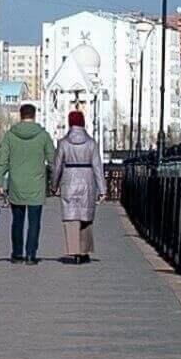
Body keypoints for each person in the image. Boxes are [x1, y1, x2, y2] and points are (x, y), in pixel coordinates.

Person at [0, 103, 56, 264]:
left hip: (16, 184)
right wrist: (55, 180)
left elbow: (2, 161)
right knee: (34, 222)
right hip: (36, 184)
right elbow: (52, 159)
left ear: (20, 115)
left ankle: (16, 253)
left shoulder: (10, 135)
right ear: (34, 115)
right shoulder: (43, 136)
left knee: (17, 221)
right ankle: (31, 254)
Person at [51, 110, 105, 264]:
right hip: (87, 179)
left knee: (71, 217)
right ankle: (84, 251)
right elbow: (97, 167)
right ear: (83, 123)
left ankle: (74, 251)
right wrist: (102, 190)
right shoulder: (91, 143)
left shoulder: (63, 143)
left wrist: (54, 185)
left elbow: (57, 166)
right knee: (85, 217)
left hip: (69, 178)